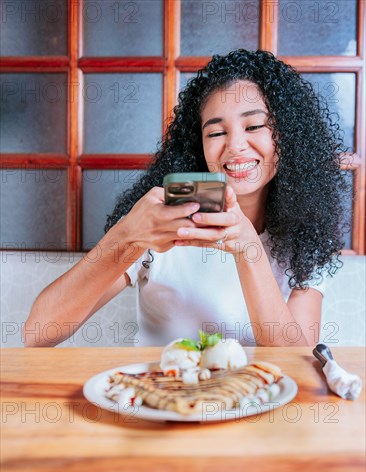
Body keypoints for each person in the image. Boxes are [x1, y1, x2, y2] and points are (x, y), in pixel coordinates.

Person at [24, 49, 349, 348]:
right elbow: (37, 333)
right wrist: (126, 236)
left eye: (254, 126)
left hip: (252, 406)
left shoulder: (309, 237)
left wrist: (248, 246)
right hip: (157, 403)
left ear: (288, 135)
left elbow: (298, 362)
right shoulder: (159, 220)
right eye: (216, 132)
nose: (235, 145)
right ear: (199, 146)